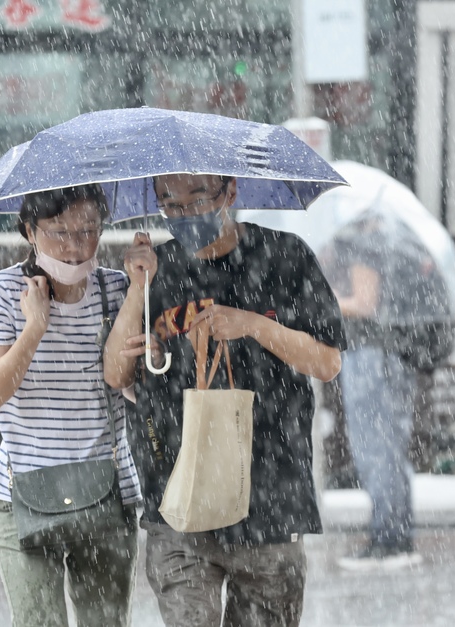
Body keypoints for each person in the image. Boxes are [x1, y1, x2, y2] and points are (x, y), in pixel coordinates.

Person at [104, 173, 347, 627]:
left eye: (197, 199)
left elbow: (327, 362)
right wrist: (138, 287)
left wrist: (253, 324)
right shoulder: (155, 271)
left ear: (230, 193)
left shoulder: (284, 256)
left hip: (270, 494)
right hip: (178, 498)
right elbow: (116, 374)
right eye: (169, 205)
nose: (185, 214)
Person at [0, 184, 141, 627]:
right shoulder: (1, 293)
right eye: (59, 232)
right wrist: (34, 327)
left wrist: (140, 289)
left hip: (106, 491)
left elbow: (133, 382)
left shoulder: (117, 290)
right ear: (29, 232)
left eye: (88, 230)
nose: (75, 246)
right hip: (22, 494)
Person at [327, 217, 423, 570]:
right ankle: (395, 537)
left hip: (370, 356)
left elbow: (365, 304)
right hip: (394, 354)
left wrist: (329, 301)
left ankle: (389, 541)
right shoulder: (397, 242)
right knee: (390, 446)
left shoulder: (366, 246)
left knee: (375, 447)